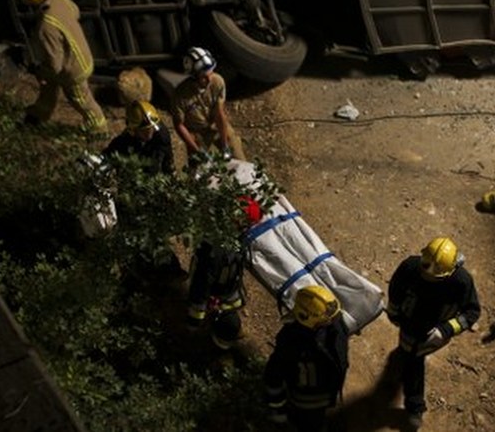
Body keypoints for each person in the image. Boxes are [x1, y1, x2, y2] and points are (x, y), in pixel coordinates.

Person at [386, 237, 481, 430]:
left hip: (433, 331)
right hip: (409, 325)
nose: (427, 277)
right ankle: (405, 366)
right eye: (424, 270)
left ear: (451, 270)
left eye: (434, 277)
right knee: (409, 357)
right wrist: (395, 313)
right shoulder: (411, 267)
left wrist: (446, 330)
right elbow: (396, 290)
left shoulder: (461, 282)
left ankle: (414, 407)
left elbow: (471, 313)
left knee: (414, 362)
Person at [17, 0, 108, 134]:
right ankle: (37, 114)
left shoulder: (46, 26)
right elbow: (75, 11)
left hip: (74, 70)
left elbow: (55, 65)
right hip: (80, 54)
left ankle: (99, 129)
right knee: (48, 89)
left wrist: (39, 71)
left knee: (82, 100)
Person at [264, 285, 350, 431]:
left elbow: (274, 375)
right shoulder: (292, 343)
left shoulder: (332, 324)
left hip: (323, 395)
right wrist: (278, 411)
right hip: (307, 402)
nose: (331, 320)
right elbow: (274, 376)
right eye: (325, 320)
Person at [185, 196, 261, 350]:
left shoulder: (232, 240)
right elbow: (201, 285)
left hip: (223, 294)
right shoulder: (216, 251)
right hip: (216, 295)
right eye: (247, 224)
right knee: (225, 322)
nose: (248, 228)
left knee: (228, 320)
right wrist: (194, 321)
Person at [171, 46, 244, 163]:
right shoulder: (181, 95)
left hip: (215, 124)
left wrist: (225, 145)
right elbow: (179, 125)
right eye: (204, 77)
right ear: (194, 77)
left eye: (210, 73)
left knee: (238, 156)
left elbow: (219, 113)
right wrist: (197, 151)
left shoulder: (217, 82)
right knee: (199, 171)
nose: (209, 79)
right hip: (196, 132)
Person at [103, 100, 174, 175]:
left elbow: (168, 163)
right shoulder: (123, 142)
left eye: (151, 128)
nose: (149, 133)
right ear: (134, 130)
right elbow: (107, 157)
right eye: (144, 130)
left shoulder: (161, 136)